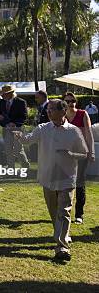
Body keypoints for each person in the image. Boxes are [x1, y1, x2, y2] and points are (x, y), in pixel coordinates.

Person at [14, 100, 88, 262]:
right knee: (55, 213)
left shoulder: (74, 131)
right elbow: (28, 139)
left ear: (63, 111)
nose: (48, 112)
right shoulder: (43, 129)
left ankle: (61, 247)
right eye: (48, 109)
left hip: (67, 178)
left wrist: (70, 154)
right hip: (47, 178)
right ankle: (63, 235)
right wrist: (20, 136)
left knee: (64, 211)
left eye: (52, 109)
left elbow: (84, 153)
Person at [63, 92, 94, 224]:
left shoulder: (82, 114)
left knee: (79, 183)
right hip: (65, 154)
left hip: (81, 153)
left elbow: (89, 133)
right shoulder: (62, 116)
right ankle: (64, 212)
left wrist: (91, 152)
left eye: (73, 101)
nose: (71, 103)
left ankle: (79, 214)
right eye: (68, 101)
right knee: (65, 183)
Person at [0, 84, 30, 168]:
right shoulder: (2, 102)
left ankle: (25, 166)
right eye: (2, 94)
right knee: (8, 150)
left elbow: (24, 117)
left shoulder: (21, 102)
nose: (3, 96)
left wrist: (14, 123)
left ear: (10, 93)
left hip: (17, 130)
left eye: (4, 94)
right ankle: (11, 168)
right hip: (6, 129)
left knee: (18, 150)